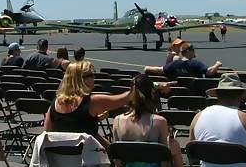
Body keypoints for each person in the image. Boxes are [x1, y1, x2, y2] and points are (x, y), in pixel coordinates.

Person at [43, 61, 174, 149]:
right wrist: (156, 85)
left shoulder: (54, 104)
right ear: (78, 80)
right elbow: (129, 96)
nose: (93, 77)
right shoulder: (93, 101)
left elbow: (47, 133)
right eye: (89, 75)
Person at [112, 74, 184, 167]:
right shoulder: (159, 122)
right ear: (151, 94)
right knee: (174, 145)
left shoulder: (117, 120)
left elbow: (118, 162)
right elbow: (165, 164)